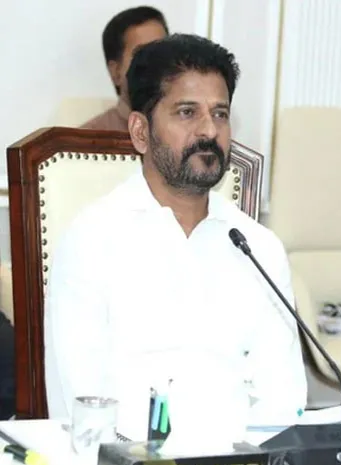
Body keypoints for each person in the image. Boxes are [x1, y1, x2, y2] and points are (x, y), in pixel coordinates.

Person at [44, 34, 307, 439]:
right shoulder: (92, 241)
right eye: (187, 112)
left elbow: (283, 400)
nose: (209, 130)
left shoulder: (257, 248)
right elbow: (81, 404)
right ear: (140, 131)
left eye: (220, 113)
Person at [81, 6, 168, 131]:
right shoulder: (86, 139)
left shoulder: (191, 131)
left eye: (162, 52)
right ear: (116, 71)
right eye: (141, 54)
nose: (155, 64)